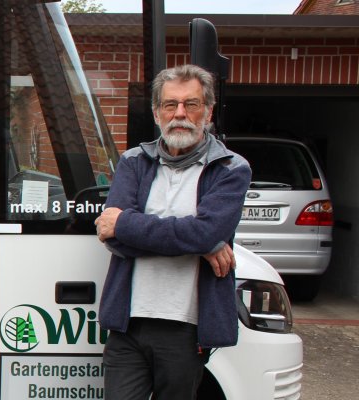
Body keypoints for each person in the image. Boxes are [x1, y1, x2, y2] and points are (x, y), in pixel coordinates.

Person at [94, 64, 250, 399]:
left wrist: (126, 223)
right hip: (128, 324)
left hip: (186, 328)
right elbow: (114, 239)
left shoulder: (230, 168)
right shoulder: (134, 162)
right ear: (156, 113)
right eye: (170, 105)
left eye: (191, 104)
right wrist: (196, 242)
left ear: (207, 112)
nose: (180, 113)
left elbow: (205, 232)